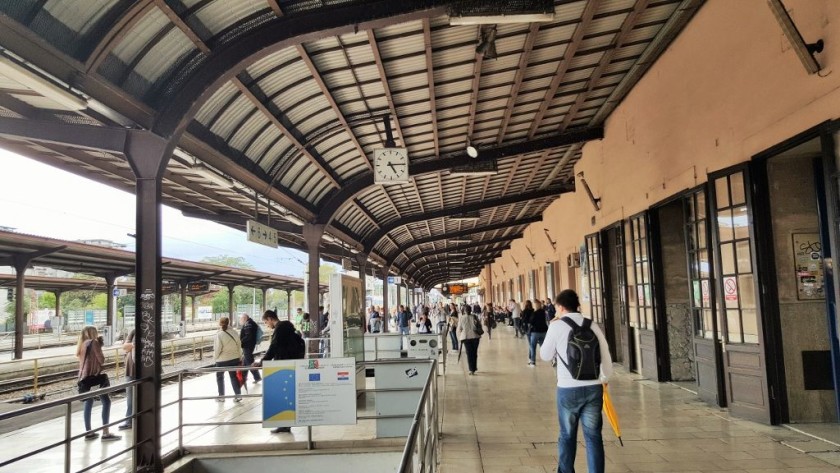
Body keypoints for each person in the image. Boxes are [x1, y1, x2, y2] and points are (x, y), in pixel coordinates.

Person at [540, 289, 613, 473]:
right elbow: (605, 354)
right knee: (594, 437)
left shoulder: (556, 326)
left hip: (567, 389)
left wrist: (552, 328)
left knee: (567, 435)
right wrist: (604, 378)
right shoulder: (592, 325)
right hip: (593, 388)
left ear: (561, 307)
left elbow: (545, 355)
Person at [253, 311, 306, 433]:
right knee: (286, 394)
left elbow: (274, 346)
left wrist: (262, 361)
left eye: (266, 322)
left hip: (284, 365)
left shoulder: (280, 328)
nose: (267, 325)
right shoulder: (286, 328)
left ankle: (285, 424)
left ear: (270, 319)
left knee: (284, 394)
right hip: (289, 364)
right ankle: (285, 424)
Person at [76, 326, 120, 441]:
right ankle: (105, 432)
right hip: (95, 378)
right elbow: (101, 359)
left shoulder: (82, 344)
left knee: (88, 402)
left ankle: (88, 432)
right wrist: (99, 346)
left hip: (84, 379)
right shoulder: (93, 342)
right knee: (106, 402)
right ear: (93, 333)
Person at [213, 316, 243, 403]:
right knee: (233, 377)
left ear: (220, 323)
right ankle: (238, 395)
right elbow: (239, 346)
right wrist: (239, 357)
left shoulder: (219, 334)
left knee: (220, 377)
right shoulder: (234, 332)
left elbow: (218, 348)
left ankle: (221, 396)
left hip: (222, 360)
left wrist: (215, 358)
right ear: (228, 322)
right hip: (234, 359)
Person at [456, 305, 482, 375]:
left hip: (466, 337)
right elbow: (479, 325)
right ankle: (474, 368)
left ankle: (471, 369)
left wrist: (459, 337)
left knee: (469, 353)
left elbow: (459, 329)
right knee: (474, 353)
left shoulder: (462, 318)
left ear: (464, 310)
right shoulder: (474, 317)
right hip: (475, 337)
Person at [117, 329, 135, 430]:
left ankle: (132, 420)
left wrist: (131, 347)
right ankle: (129, 420)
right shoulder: (134, 331)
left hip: (143, 370)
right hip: (130, 369)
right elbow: (125, 347)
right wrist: (133, 345)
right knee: (130, 396)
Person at [238, 313, 262, 385]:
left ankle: (257, 377)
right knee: (245, 361)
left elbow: (249, 336)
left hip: (247, 346)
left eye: (241, 319)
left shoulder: (248, 324)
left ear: (245, 318)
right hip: (249, 345)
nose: (240, 320)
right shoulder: (250, 322)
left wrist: (240, 341)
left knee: (249, 361)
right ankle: (244, 377)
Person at [527, 300, 549, 366]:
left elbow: (531, 322)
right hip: (543, 331)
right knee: (543, 346)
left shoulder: (535, 313)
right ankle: (549, 359)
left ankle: (533, 361)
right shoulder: (543, 312)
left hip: (535, 332)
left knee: (532, 347)